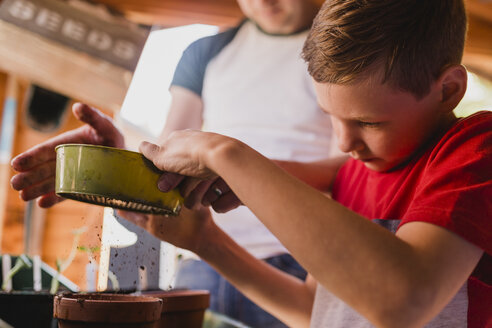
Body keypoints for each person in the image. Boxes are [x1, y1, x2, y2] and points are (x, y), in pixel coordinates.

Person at [11, 0, 492, 327]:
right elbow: (312, 310)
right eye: (331, 118)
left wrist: (223, 151)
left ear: (449, 89)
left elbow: (403, 299)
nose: (344, 141)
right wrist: (204, 239)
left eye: (368, 121)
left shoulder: (476, 148)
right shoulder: (354, 175)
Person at [11, 1, 341, 326]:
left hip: (299, 258)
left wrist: (235, 168)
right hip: (202, 260)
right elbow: (171, 152)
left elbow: (345, 170)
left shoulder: (338, 47)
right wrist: (113, 163)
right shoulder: (205, 51)